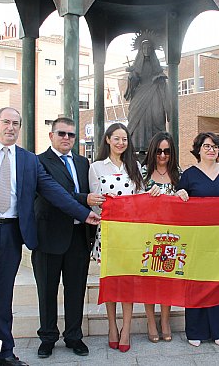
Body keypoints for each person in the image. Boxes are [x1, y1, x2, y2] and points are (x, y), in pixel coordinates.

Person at [0, 107, 100, 366]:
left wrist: (83, 214)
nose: (11, 128)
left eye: (16, 123)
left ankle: (4, 354)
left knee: (4, 300)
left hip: (12, 234)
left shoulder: (28, 160)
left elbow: (54, 191)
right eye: (6, 122)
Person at [32, 117, 106, 359]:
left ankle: (74, 336)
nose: (66, 138)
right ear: (51, 136)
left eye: (71, 135)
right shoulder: (38, 162)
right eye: (61, 133)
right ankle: (47, 337)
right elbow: (56, 194)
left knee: (75, 290)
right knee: (47, 290)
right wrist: (84, 200)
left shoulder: (84, 163)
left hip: (78, 236)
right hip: (49, 237)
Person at [175, 132, 219, 347]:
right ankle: (196, 330)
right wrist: (180, 195)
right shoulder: (189, 175)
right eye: (207, 146)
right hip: (196, 239)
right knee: (196, 284)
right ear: (198, 149)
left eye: (215, 146)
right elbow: (179, 202)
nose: (212, 150)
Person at [89, 122, 144, 353]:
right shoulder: (97, 167)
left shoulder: (135, 166)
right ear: (108, 140)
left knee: (128, 282)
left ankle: (127, 328)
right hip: (108, 232)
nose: (121, 143)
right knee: (111, 280)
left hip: (130, 233)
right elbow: (94, 200)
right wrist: (104, 201)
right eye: (117, 138)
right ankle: (112, 326)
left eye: (125, 139)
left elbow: (141, 198)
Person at [141, 131, 180, 343]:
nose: (162, 155)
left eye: (166, 151)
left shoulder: (178, 174)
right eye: (158, 151)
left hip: (171, 235)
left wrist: (183, 195)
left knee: (167, 279)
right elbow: (134, 199)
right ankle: (150, 320)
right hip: (148, 234)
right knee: (149, 279)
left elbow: (188, 200)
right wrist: (148, 196)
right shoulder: (142, 172)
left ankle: (165, 320)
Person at [124, 38, 169, 153]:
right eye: (144, 48)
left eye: (149, 48)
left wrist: (159, 79)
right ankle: (139, 147)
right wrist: (132, 76)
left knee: (156, 118)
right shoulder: (137, 65)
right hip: (140, 94)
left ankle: (156, 146)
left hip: (154, 93)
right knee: (138, 119)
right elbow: (133, 82)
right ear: (141, 50)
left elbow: (161, 77)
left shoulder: (156, 65)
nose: (146, 50)